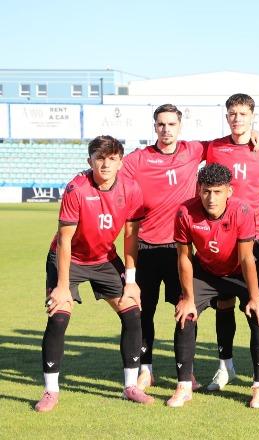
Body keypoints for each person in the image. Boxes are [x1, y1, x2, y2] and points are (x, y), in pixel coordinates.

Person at [121, 103, 259, 391]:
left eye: (171, 124)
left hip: (181, 249)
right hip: (147, 246)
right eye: (161, 124)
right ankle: (145, 370)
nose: (166, 130)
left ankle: (187, 375)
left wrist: (253, 134)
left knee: (185, 310)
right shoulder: (138, 159)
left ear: (179, 126)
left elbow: (229, 144)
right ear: (154, 127)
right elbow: (112, 175)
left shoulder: (194, 149)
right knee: (142, 311)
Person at [36, 135, 152, 412]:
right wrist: (62, 286)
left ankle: (130, 386)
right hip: (69, 258)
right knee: (59, 317)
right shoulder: (77, 188)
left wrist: (132, 282)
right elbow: (64, 240)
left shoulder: (132, 189)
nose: (106, 165)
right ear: (90, 161)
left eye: (112, 159)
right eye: (100, 158)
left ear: (121, 162)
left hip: (103, 259)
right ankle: (51, 391)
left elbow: (131, 237)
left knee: (133, 312)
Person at [167, 163, 259, 408]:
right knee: (185, 315)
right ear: (198, 190)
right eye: (205, 191)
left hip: (238, 271)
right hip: (206, 271)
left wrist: (255, 296)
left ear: (229, 191)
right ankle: (183, 385)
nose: (211, 198)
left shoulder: (242, 211)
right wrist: (188, 297)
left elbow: (247, 258)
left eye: (217, 192)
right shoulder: (185, 212)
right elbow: (184, 257)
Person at [203, 93, 259, 392]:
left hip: (255, 234)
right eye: (232, 114)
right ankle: (225, 367)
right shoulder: (214, 147)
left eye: (242, 113)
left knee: (258, 306)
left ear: (253, 116)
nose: (237, 118)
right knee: (223, 303)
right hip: (222, 236)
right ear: (227, 117)